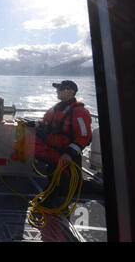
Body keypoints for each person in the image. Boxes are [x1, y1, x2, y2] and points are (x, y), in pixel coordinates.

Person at [26, 80, 92, 208]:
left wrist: (69, 154)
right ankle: (52, 197)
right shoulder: (57, 107)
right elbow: (45, 122)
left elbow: (85, 136)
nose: (57, 91)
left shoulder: (80, 112)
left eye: (61, 89)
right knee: (54, 178)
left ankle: (54, 203)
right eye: (58, 88)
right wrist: (33, 124)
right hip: (53, 152)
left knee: (65, 184)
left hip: (67, 155)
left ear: (71, 92)